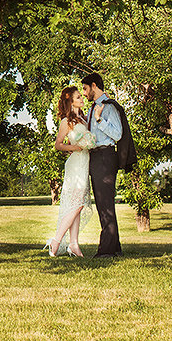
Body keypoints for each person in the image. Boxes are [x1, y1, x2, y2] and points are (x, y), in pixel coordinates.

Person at [45, 86, 94, 258]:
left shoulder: (84, 119)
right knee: (78, 203)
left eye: (81, 96)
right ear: (71, 101)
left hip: (85, 162)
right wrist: (76, 147)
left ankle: (74, 244)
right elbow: (58, 144)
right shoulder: (67, 121)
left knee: (77, 206)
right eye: (78, 97)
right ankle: (56, 240)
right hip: (75, 164)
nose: (82, 99)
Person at [81, 71, 122, 257]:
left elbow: (118, 134)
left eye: (85, 88)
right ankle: (115, 247)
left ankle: (106, 250)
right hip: (95, 158)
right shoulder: (92, 108)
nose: (84, 93)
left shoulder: (108, 108)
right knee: (103, 203)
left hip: (105, 156)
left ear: (94, 86)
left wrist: (99, 120)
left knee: (105, 204)